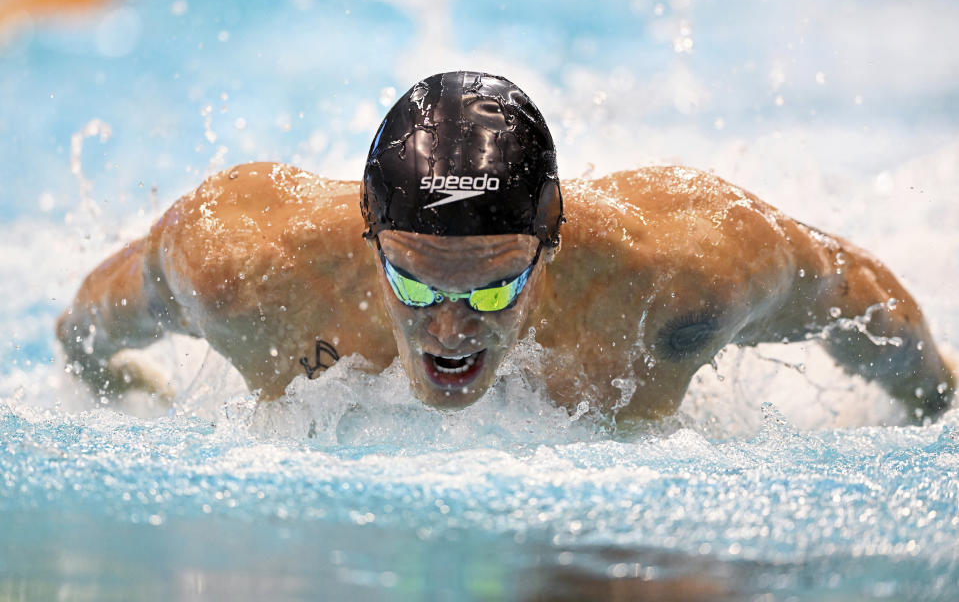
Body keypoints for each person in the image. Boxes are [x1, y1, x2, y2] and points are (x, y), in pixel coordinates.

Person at [56, 71, 956, 422]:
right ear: (367, 230)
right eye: (414, 286)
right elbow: (95, 322)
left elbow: (852, 291)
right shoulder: (245, 272)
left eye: (491, 291)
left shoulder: (682, 276)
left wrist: (931, 397)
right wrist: (104, 380)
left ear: (549, 236)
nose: (451, 330)